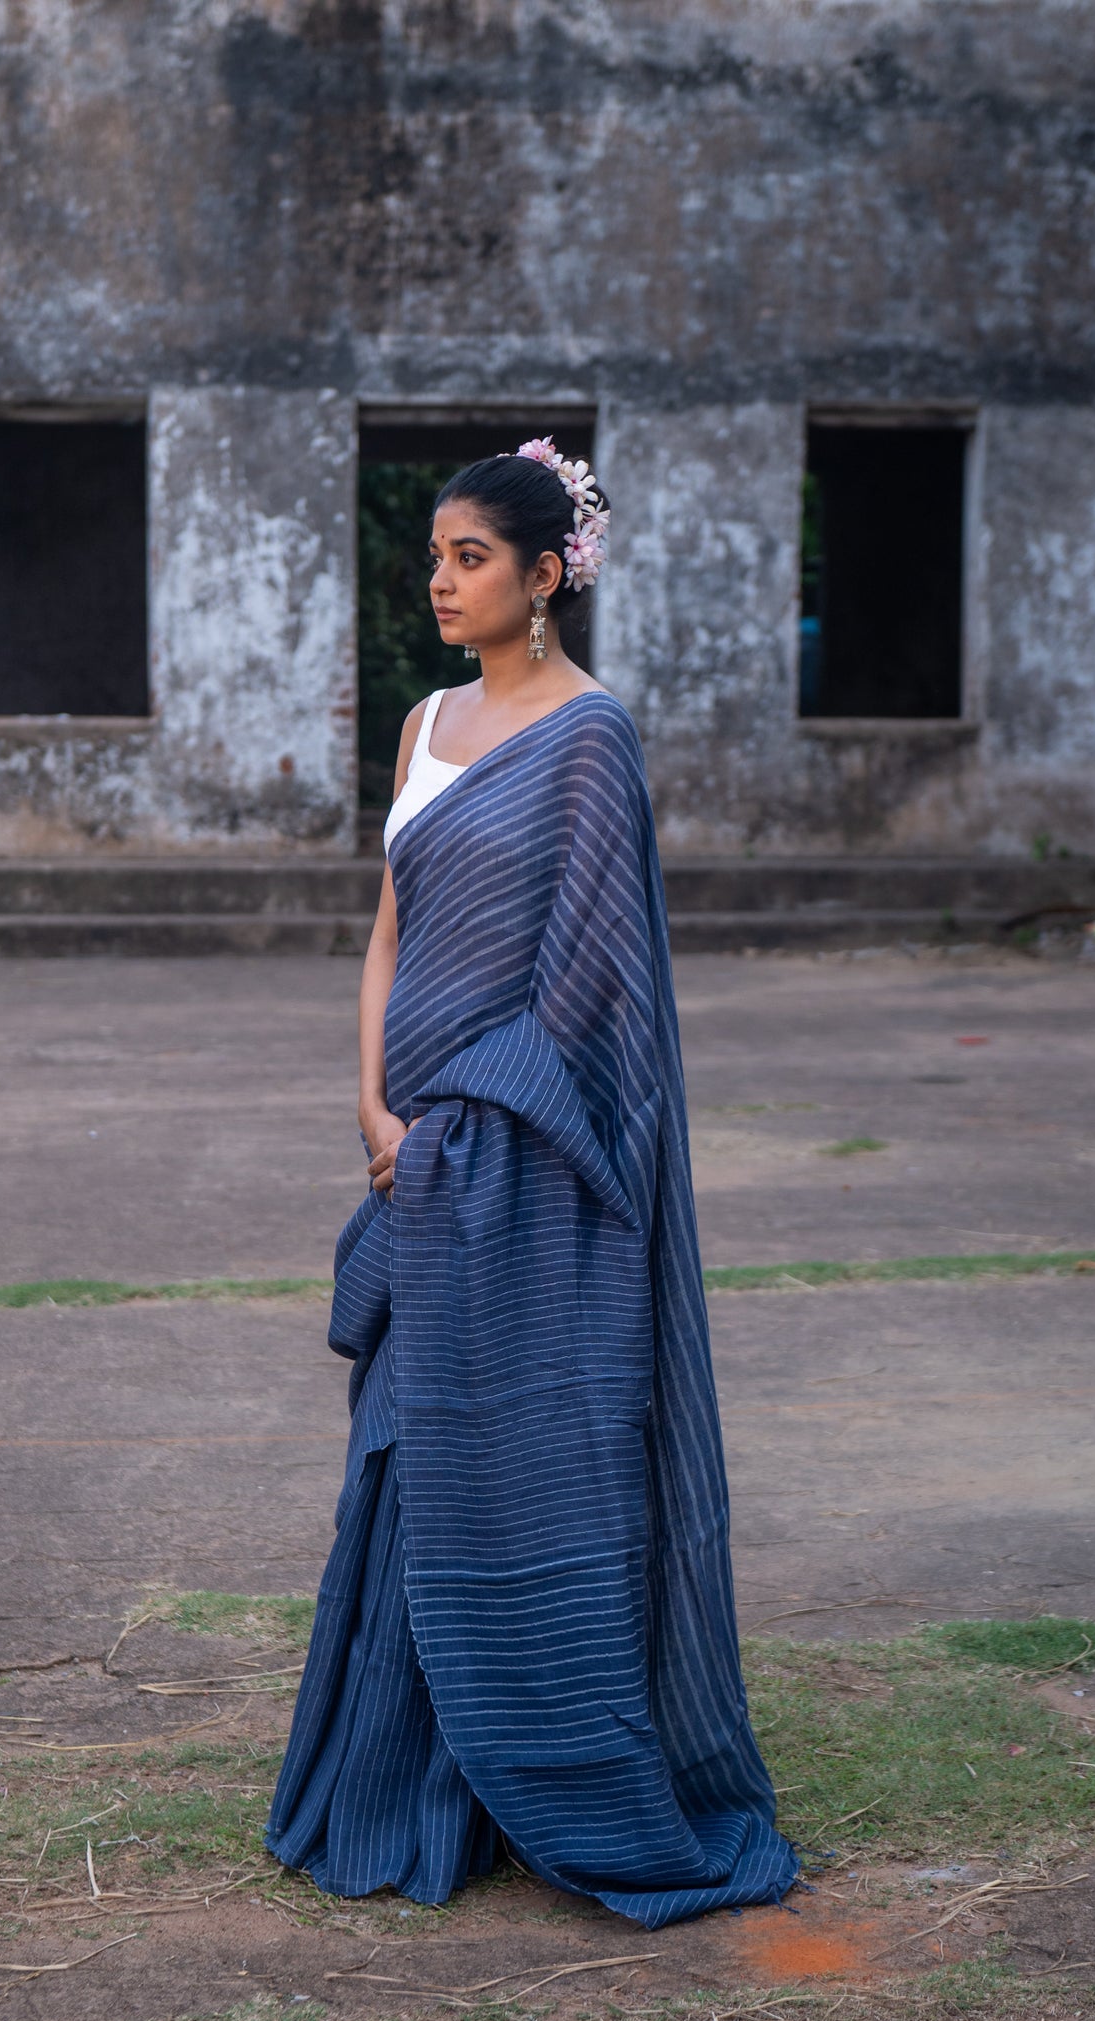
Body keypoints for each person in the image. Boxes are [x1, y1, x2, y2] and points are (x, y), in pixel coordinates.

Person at [266, 438, 797, 1925]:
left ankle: (548, 1759)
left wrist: (453, 1127)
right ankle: (405, 1773)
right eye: (431, 557)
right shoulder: (424, 723)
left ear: (544, 575)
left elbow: (585, 991)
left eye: (468, 558)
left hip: (515, 1153)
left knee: (522, 1451)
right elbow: (388, 923)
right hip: (410, 1137)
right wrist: (370, 1099)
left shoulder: (587, 737)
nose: (438, 582)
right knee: (405, 1446)